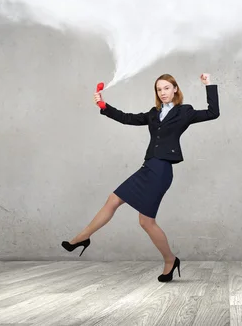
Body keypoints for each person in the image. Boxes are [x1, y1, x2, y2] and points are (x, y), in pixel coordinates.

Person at [61, 73, 220, 282]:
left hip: (162, 170)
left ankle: (170, 260)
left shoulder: (185, 112)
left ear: (175, 89)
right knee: (113, 200)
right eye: (159, 89)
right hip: (147, 167)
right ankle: (82, 238)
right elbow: (127, 118)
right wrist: (103, 105)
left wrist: (209, 84)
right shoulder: (153, 114)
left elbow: (213, 112)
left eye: (166, 88)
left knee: (146, 222)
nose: (162, 93)